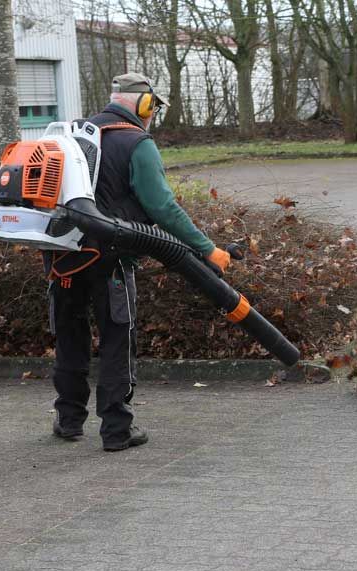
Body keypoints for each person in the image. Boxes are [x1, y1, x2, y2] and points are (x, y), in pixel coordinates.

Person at [48, 72, 233, 451]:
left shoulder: (74, 136)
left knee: (70, 336)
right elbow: (163, 207)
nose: (153, 116)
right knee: (118, 338)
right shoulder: (137, 143)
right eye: (154, 107)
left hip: (63, 256)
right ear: (144, 105)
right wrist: (206, 248)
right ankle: (116, 429)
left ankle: (68, 420)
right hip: (112, 258)